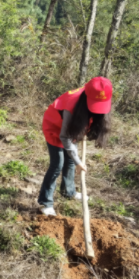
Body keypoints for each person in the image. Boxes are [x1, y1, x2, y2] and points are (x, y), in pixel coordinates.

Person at [38, 77, 112, 216]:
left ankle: (69, 192)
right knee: (57, 165)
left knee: (70, 161)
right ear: (87, 99)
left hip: (74, 126)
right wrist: (79, 162)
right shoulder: (72, 107)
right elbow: (64, 137)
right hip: (55, 127)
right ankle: (46, 203)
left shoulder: (96, 94)